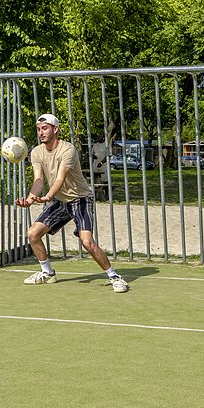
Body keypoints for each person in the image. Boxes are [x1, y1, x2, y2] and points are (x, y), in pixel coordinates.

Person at [15, 113, 129, 292]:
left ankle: (115, 277)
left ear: (56, 129)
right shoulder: (36, 152)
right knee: (33, 234)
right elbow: (38, 181)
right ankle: (47, 273)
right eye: (38, 129)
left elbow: (60, 178)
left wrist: (48, 196)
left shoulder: (68, 150)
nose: (41, 132)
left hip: (80, 199)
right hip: (60, 201)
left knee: (87, 242)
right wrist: (29, 200)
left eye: (45, 128)